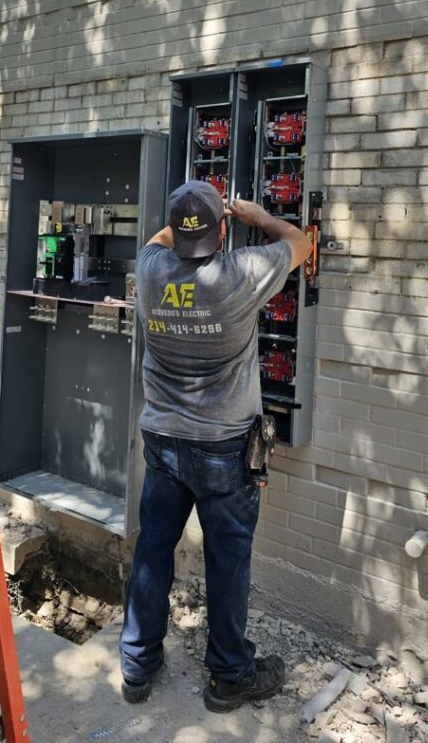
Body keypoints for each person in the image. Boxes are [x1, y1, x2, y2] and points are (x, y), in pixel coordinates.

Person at [119, 180, 312, 712]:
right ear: (222, 232)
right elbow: (301, 242)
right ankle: (229, 675)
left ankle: (137, 664)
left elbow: (160, 239)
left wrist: (191, 218)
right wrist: (256, 214)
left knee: (153, 549)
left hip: (162, 438)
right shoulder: (241, 273)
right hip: (224, 447)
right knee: (228, 560)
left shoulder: (151, 269)